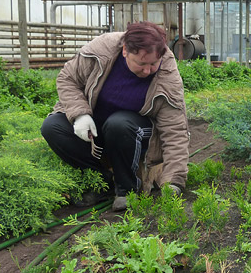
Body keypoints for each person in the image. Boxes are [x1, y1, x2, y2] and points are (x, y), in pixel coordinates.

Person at [41, 21, 189, 212]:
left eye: (153, 64)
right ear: (125, 50)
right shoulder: (101, 50)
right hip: (97, 127)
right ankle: (103, 182)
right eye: (142, 63)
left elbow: (175, 129)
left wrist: (174, 181)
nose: (147, 70)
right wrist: (80, 114)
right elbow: (67, 78)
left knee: (118, 123)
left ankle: (127, 189)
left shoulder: (167, 74)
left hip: (133, 132)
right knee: (52, 127)